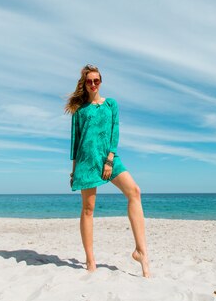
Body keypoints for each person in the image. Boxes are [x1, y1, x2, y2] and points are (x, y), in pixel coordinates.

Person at [64, 64, 150, 278]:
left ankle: (141, 251)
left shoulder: (111, 104)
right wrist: (74, 170)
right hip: (86, 160)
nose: (93, 84)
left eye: (97, 80)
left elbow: (115, 131)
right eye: (89, 81)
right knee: (88, 209)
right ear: (84, 84)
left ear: (101, 81)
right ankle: (90, 260)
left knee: (135, 192)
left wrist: (110, 158)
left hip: (108, 158)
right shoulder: (79, 111)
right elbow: (75, 142)